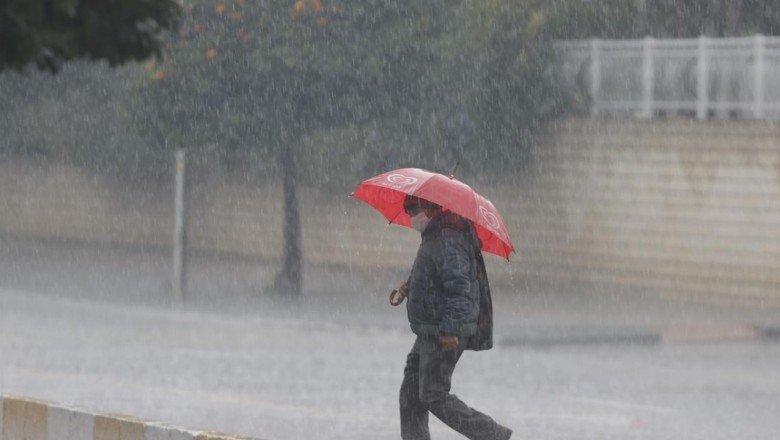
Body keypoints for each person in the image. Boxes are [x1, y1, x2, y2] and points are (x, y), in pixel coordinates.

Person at [396, 195, 512, 440]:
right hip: (431, 326)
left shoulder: (447, 237)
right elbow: (434, 273)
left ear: (430, 208)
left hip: (443, 329)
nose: (410, 215)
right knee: (411, 390)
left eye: (413, 209)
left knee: (432, 394)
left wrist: (450, 331)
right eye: (407, 209)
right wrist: (410, 286)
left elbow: (459, 289)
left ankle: (492, 435)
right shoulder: (435, 234)